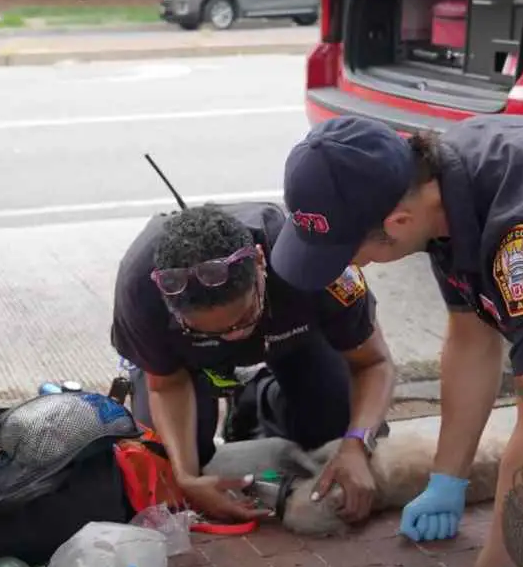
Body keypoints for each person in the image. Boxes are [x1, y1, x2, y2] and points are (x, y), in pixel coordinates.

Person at [271, 114, 523, 567]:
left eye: (347, 254)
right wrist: (448, 479)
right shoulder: (443, 190)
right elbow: (472, 337)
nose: (350, 269)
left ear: (398, 223)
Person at [111, 202, 398, 525]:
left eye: (243, 319)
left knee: (338, 430)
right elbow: (166, 384)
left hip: (292, 338)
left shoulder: (313, 260)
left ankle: (258, 398)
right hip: (187, 368)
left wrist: (357, 443)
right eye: (208, 329)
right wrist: (186, 477)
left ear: (261, 264)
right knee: (161, 470)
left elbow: (374, 363)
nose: (231, 337)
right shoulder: (139, 289)